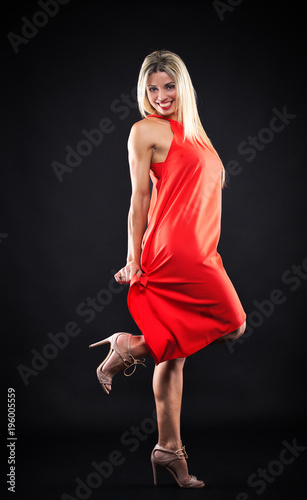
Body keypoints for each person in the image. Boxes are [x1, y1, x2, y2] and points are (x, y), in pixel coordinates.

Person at [89, 49, 246, 488]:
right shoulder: (145, 131)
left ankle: (168, 449)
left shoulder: (196, 133)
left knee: (173, 354)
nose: (160, 95)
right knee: (233, 323)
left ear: (184, 86)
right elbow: (139, 198)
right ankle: (129, 348)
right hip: (174, 250)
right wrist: (132, 258)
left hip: (200, 250)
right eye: (151, 88)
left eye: (168, 85)